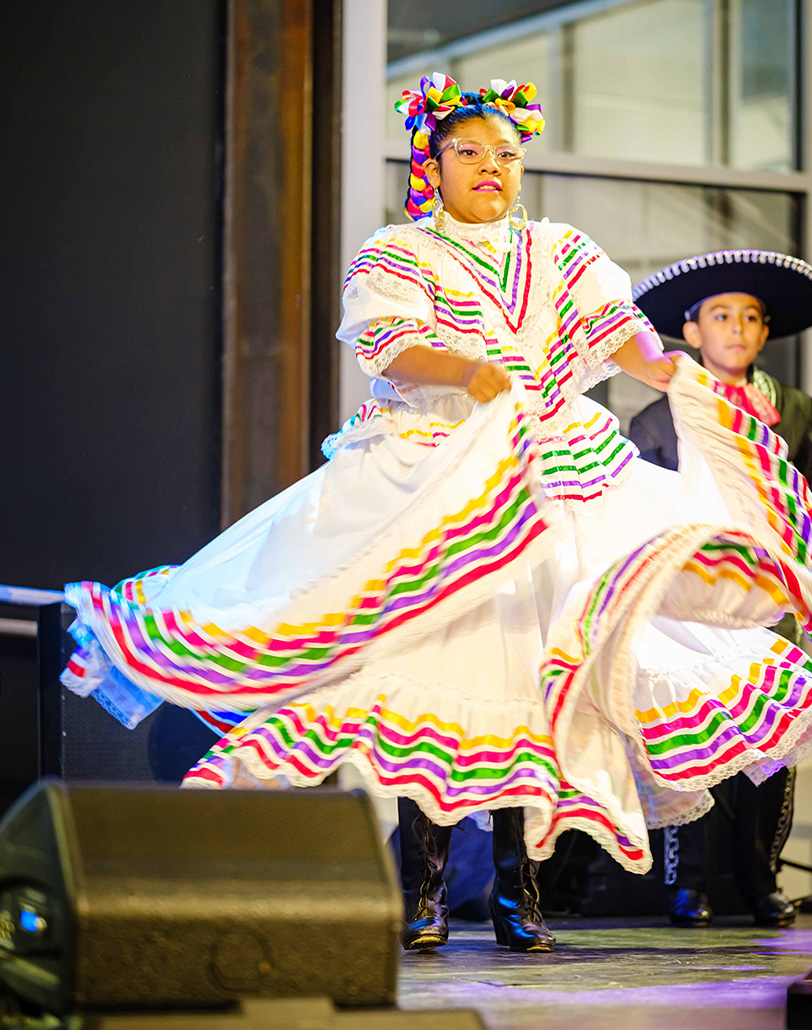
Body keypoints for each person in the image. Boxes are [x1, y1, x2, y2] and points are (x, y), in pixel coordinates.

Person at [62, 74, 812, 957]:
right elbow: (391, 345)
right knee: (438, 671)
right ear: (435, 161)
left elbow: (621, 333)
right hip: (435, 474)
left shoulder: (561, 251)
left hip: (550, 478)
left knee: (538, 686)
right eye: (470, 152)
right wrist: (466, 373)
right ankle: (422, 895)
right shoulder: (398, 253)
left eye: (505, 154)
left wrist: (672, 373)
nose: (491, 168)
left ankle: (516, 895)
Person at [629, 252, 812, 929]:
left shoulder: (795, 412)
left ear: (765, 334)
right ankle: (688, 884)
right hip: (691, 601)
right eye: (720, 316)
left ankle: (759, 878)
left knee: (773, 746)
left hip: (774, 596)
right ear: (691, 331)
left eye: (751, 317)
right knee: (694, 742)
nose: (736, 328)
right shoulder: (655, 420)